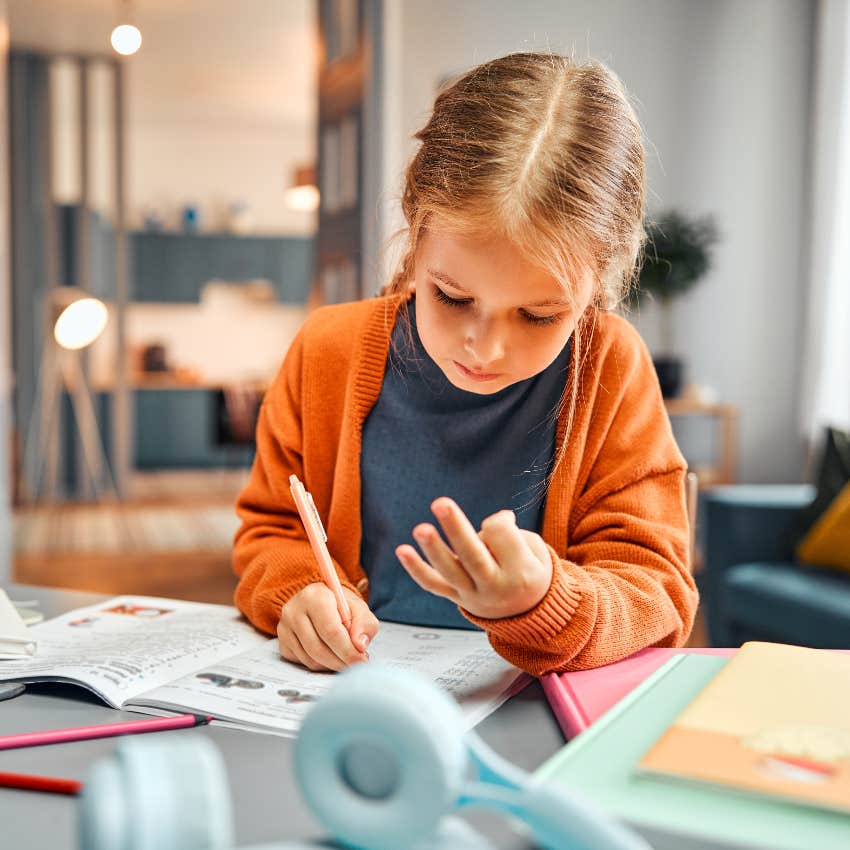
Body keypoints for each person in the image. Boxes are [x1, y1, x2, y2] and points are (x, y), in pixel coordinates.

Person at [232, 52, 698, 676]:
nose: (486, 348)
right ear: (414, 235)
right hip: (353, 699)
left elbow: (656, 588)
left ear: (598, 287)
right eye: (452, 298)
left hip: (533, 717)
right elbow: (270, 530)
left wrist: (546, 603)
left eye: (539, 316)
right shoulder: (327, 351)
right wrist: (298, 595)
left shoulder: (611, 370)